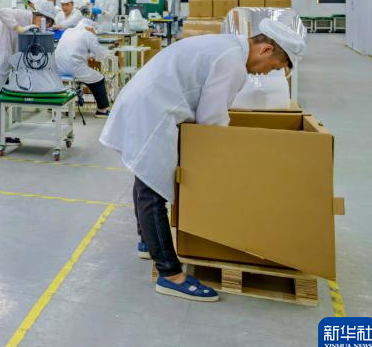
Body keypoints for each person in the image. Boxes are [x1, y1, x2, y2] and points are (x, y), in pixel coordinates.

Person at [99, 19, 306, 302]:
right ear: (266, 49)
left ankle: (147, 240)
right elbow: (211, 120)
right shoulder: (233, 63)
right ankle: (170, 274)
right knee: (153, 189)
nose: (268, 72)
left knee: (145, 177)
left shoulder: (228, 47)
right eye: (274, 67)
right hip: (153, 110)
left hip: (145, 101)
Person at [0, 2, 57, 151]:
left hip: (3, 61)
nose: (45, 26)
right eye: (47, 22)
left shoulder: (32, 26)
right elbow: (1, 11)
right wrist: (18, 28)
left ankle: (0, 136)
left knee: (1, 99)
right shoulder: (23, 15)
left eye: (49, 24)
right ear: (40, 16)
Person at [54, 19, 112, 116]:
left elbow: (75, 50)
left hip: (58, 67)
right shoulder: (88, 34)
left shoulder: (68, 31)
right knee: (98, 78)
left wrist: (88, 55)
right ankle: (102, 110)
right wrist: (104, 54)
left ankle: (64, 105)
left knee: (83, 74)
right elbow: (99, 54)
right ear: (91, 28)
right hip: (73, 67)